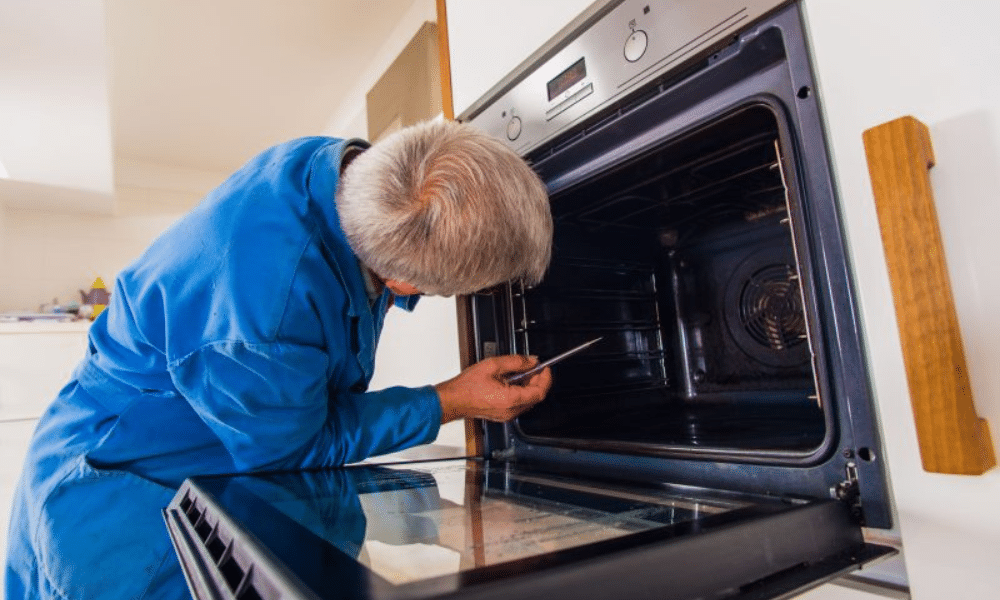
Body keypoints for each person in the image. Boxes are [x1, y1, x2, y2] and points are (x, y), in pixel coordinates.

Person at [4, 119, 554, 599]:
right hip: (119, 506)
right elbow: (302, 443)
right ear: (401, 278)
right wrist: (452, 400)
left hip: (186, 444)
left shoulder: (351, 174)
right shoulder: (262, 320)